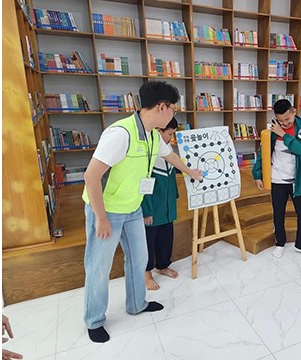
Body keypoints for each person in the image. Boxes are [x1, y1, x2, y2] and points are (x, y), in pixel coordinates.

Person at [82, 81, 203, 343]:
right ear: (161, 107)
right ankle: (94, 320)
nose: (174, 113)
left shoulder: (151, 134)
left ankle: (137, 304)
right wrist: (100, 218)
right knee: (98, 267)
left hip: (132, 207)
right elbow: (91, 177)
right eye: (173, 108)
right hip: (107, 210)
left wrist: (191, 172)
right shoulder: (120, 134)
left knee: (138, 259)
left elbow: (170, 156)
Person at [252, 99, 301, 259]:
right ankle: (280, 243)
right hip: (278, 179)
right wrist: (257, 174)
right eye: (280, 121)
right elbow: (263, 152)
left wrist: (283, 134)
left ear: (294, 112)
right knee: (278, 213)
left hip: (298, 180)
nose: (284, 123)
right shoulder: (272, 128)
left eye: (287, 120)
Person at [141, 117, 180, 290]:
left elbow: (171, 177)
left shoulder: (168, 149)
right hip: (153, 209)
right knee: (149, 241)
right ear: (158, 131)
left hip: (167, 207)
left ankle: (163, 265)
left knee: (166, 238)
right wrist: (146, 211)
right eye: (169, 134)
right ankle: (146, 272)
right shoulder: (149, 153)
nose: (171, 138)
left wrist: (174, 199)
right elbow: (144, 185)